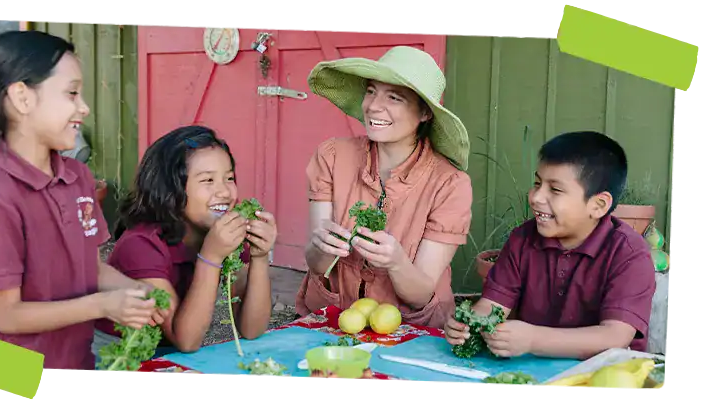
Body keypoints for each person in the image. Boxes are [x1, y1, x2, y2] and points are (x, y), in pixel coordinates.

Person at [0, 30, 164, 376]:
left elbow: (91, 268)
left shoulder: (78, 177)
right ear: (22, 98)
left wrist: (138, 293)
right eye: (72, 93)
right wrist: (104, 304)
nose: (84, 107)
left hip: (75, 368)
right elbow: (7, 315)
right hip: (10, 376)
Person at [296, 46, 474, 329]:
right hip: (333, 322)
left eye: (394, 97)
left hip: (415, 331)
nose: (374, 106)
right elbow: (317, 264)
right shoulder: (332, 156)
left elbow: (420, 295)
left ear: (425, 113)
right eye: (371, 91)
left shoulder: (450, 185)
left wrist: (396, 262)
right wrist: (323, 248)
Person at [445, 131, 656, 360]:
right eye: (537, 183)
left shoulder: (629, 254)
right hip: (531, 370)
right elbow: (492, 305)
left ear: (598, 205)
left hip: (606, 377)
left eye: (555, 190)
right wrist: (468, 323)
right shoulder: (523, 239)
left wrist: (533, 340)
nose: (536, 197)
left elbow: (614, 337)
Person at [92, 126, 276, 357]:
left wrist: (260, 257)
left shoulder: (225, 234)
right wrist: (210, 256)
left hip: (171, 352)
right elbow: (186, 340)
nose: (224, 191)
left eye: (229, 178)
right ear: (172, 189)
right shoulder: (141, 245)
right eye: (208, 180)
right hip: (117, 354)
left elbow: (252, 329)